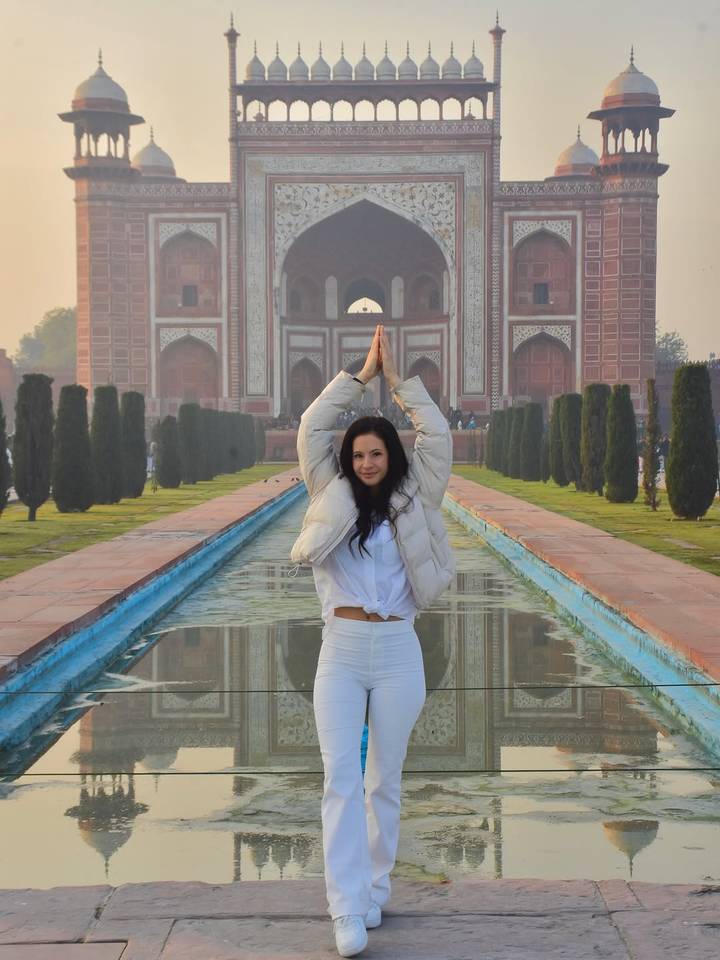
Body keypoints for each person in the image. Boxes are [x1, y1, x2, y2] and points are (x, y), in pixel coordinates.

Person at [290, 324, 455, 957]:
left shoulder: (419, 497)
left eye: (376, 454)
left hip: (397, 652)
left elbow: (436, 433)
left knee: (383, 779)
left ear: (391, 457)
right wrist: (359, 379)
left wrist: (399, 383)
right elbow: (311, 429)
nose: (366, 462)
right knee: (340, 778)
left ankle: (376, 886)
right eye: (357, 454)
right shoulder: (327, 495)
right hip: (340, 651)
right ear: (347, 460)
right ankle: (345, 907)